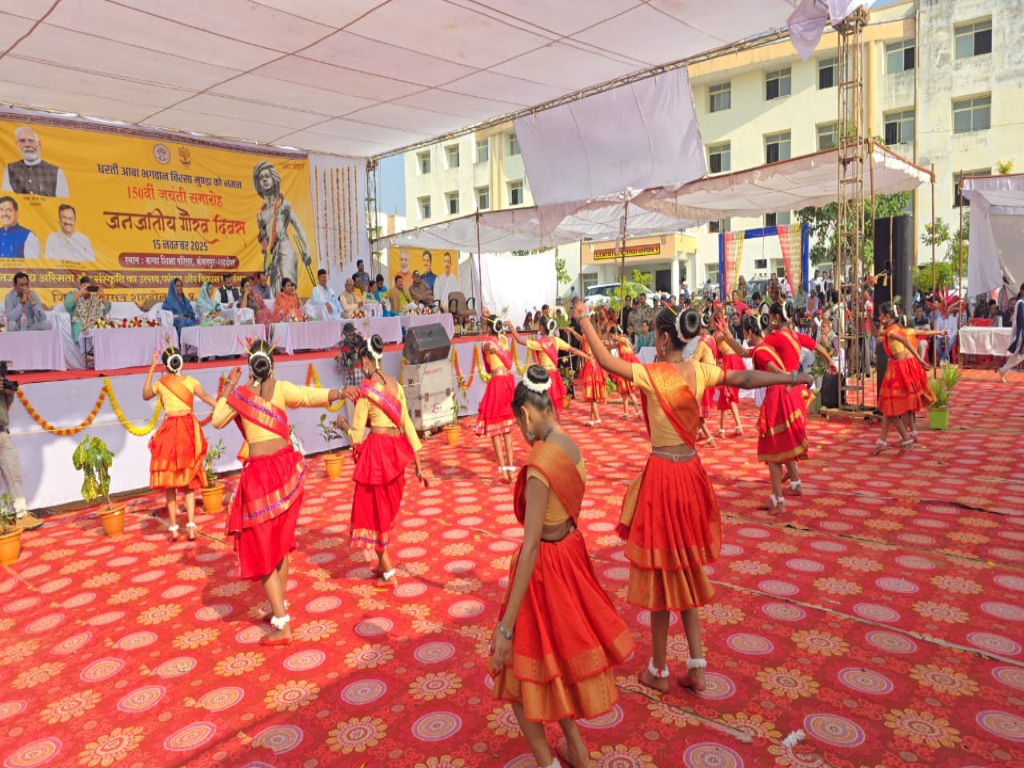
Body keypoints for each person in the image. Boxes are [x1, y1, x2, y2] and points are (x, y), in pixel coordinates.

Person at [575, 304, 809, 697]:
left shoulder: (651, 375)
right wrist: (789, 376)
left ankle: (659, 669)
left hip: (663, 480)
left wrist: (582, 316)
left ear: (663, 338)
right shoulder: (700, 371)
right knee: (684, 568)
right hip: (691, 476)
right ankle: (696, 666)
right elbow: (745, 378)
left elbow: (602, 358)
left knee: (662, 574)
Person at [490, 365, 634, 768]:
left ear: (526, 414)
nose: (521, 432)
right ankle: (577, 752)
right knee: (554, 666)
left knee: (516, 675)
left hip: (545, 570)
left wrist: (506, 627)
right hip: (570, 555)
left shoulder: (539, 464)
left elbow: (531, 545)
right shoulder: (571, 445)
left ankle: (548, 764)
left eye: (519, 424)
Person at [212, 340, 342, 645]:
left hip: (260, 477)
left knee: (264, 550)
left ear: (249, 366)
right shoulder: (281, 388)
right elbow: (309, 396)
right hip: (285, 472)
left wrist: (230, 386)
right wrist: (338, 392)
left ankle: (282, 622)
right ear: (273, 364)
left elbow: (218, 420)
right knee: (279, 545)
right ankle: (278, 608)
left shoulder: (241, 395)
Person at [335, 335, 425, 588]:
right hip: (396, 452)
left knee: (372, 511)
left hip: (376, 455)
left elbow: (355, 436)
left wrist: (342, 423)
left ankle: (389, 574)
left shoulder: (365, 391)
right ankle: (381, 563)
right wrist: (418, 463)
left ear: (365, 359)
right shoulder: (395, 385)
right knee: (384, 510)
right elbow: (406, 422)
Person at [143, 345, 217, 542]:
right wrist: (221, 406)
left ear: (166, 366)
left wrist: (152, 366)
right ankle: (191, 528)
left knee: (171, 484)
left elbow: (146, 394)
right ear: (180, 361)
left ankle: (174, 529)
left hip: (170, 433)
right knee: (188, 483)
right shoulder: (191, 381)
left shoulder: (162, 382)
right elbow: (206, 397)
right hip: (186, 432)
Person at [874, 302, 934, 453]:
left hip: (897, 370)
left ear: (887, 316)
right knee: (890, 408)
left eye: (881, 315)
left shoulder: (893, 331)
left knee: (892, 409)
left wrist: (920, 360)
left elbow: (905, 341)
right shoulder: (895, 330)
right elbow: (878, 336)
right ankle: (886, 440)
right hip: (897, 367)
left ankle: (906, 439)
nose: (880, 317)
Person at [507, 317, 590, 417]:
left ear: (542, 328)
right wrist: (588, 357)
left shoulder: (540, 343)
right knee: (552, 406)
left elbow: (520, 340)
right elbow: (574, 350)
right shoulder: (557, 341)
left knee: (543, 405)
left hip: (544, 377)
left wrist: (511, 326)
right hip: (554, 376)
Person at [254, 161, 310, 290]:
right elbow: (264, 240)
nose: (264, 180)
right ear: (259, 185)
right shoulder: (261, 214)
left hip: (285, 250)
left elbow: (297, 225)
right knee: (275, 291)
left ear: (274, 179)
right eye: (261, 178)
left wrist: (307, 247)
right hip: (272, 257)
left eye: (267, 176)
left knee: (288, 287)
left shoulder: (285, 205)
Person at [476, 316, 518, 484]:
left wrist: (490, 346)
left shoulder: (487, 342)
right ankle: (510, 469)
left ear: (488, 328)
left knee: (495, 430)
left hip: (497, 384)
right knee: (507, 430)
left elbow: (487, 346)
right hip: (507, 382)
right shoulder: (503, 340)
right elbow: (494, 349)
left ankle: (503, 469)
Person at [0, 381, 41, 530]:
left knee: (14, 475)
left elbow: (4, 407)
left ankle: (22, 515)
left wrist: (8, 394)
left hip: (2, 432)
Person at [2, 126, 68, 197]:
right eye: (22, 141)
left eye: (31, 140)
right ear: (17, 144)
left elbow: (63, 201)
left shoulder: (56, 171)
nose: (27, 145)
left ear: (39, 144)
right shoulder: (10, 169)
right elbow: (7, 198)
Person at [566, 318, 608, 427]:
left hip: (591, 365)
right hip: (594, 364)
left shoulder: (588, 337)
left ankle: (597, 419)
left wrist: (572, 331)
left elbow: (580, 338)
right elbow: (580, 338)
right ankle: (591, 419)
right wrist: (572, 331)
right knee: (592, 396)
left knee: (592, 396)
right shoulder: (591, 338)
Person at [63, 276, 110, 342]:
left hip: (92, 323)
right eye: (84, 286)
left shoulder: (93, 298)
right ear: (80, 286)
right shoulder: (72, 294)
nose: (86, 289)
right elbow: (67, 305)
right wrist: (80, 293)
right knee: (79, 328)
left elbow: (104, 311)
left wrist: (103, 296)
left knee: (102, 326)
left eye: (88, 287)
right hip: (78, 322)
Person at [612, 325, 642, 419]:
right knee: (626, 392)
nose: (611, 338)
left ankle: (634, 412)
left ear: (614, 334)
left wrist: (629, 345)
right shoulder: (619, 342)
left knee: (629, 391)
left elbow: (625, 341)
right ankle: (630, 413)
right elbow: (611, 346)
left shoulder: (621, 339)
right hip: (627, 364)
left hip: (626, 364)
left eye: (611, 336)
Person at [999, 283, 1024, 383]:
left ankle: (1003, 369)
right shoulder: (1020, 303)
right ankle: (1003, 369)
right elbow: (1022, 320)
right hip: (1022, 333)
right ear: (1022, 291)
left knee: (1019, 355)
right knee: (1019, 355)